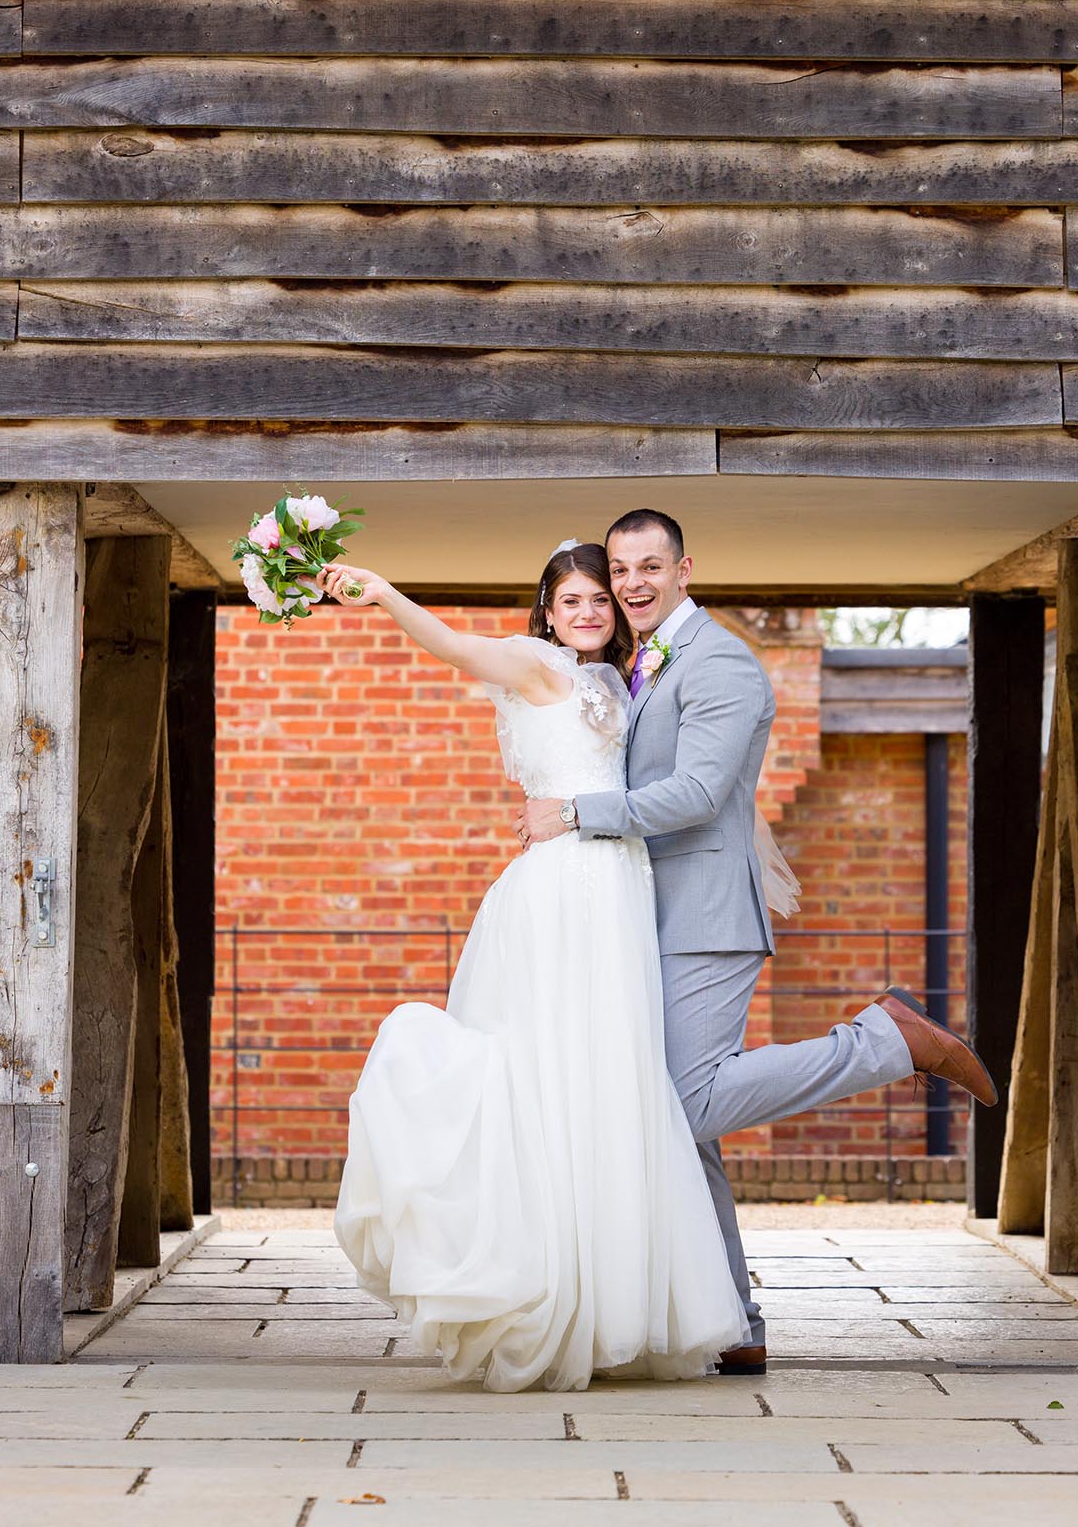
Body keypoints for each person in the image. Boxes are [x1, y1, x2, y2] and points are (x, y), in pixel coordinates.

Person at [516, 509, 998, 1374]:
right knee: (678, 1132)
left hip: (704, 917)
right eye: (620, 568)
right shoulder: (644, 663)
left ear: (684, 569)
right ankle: (734, 1321)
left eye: (649, 566)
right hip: (639, 916)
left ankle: (886, 1041)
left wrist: (576, 814)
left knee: (685, 1106)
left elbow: (700, 793)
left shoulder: (724, 664)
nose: (631, 583)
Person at [318, 541, 752, 1393]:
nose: (590, 611)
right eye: (573, 600)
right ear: (546, 610)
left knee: (607, 1085)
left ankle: (609, 1301)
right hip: (562, 891)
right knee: (548, 1077)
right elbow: (451, 646)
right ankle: (537, 1288)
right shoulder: (533, 663)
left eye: (601, 598)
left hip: (620, 888)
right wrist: (385, 592)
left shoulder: (615, 679)